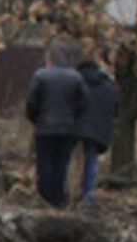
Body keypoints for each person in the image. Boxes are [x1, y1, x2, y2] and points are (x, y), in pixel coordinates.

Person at [24, 43, 88, 209]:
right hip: (67, 127)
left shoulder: (40, 76)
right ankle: (57, 198)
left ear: (48, 59)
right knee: (61, 163)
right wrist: (73, 116)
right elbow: (84, 102)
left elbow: (31, 101)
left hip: (44, 127)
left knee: (44, 163)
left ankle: (44, 197)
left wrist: (35, 118)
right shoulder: (76, 77)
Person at [73, 55, 120, 205]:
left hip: (73, 128)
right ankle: (87, 194)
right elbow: (116, 111)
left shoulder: (75, 83)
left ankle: (67, 191)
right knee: (91, 161)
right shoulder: (110, 86)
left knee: (70, 160)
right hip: (98, 130)